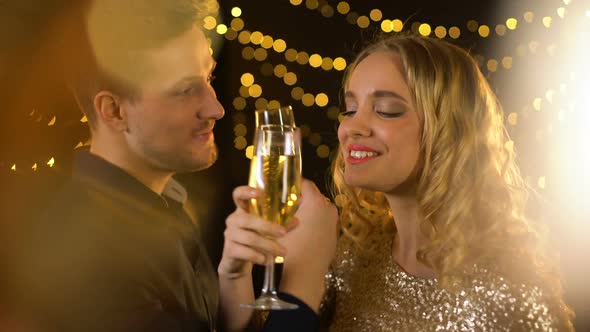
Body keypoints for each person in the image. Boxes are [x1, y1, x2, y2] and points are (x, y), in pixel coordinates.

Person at [4, 1, 323, 331]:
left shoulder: (157, 207)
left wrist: (233, 278)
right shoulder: (92, 254)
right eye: (185, 90)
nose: (216, 108)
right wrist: (305, 280)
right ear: (113, 110)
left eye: (209, 76)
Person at [226, 33, 576, 331]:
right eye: (350, 109)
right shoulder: (349, 259)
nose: (352, 127)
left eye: (387, 110)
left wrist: (301, 272)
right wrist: (235, 276)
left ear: (449, 131)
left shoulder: (515, 295)